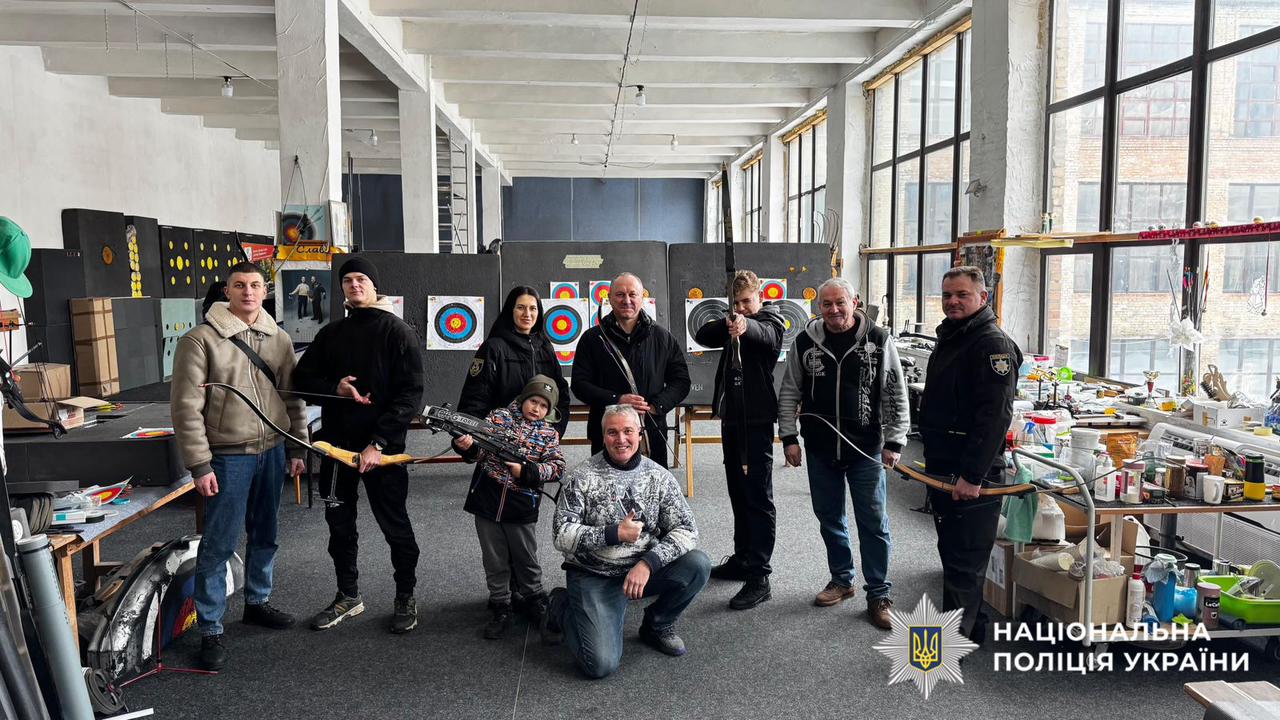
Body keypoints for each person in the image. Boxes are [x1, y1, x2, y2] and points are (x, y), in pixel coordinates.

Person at [171, 261, 309, 670]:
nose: (248, 292)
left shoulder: (279, 338)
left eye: (255, 285)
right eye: (238, 286)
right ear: (226, 291)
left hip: (271, 451)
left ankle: (257, 601)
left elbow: (292, 397)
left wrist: (298, 448)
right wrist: (199, 464)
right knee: (220, 541)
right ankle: (211, 626)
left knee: (266, 532)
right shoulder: (199, 341)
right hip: (228, 456)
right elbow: (185, 409)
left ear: (265, 291)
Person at [293, 256, 425, 634]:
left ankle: (405, 596)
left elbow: (410, 395)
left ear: (374, 285)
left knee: (395, 526)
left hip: (382, 453)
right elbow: (302, 378)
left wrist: (378, 443)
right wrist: (334, 386)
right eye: (348, 280)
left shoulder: (398, 333)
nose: (354, 285)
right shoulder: (331, 334)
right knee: (339, 525)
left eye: (361, 279)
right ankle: (347, 595)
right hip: (336, 449)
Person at [778, 277, 909, 630]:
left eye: (841, 302)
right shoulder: (805, 342)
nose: (834, 310)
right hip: (821, 450)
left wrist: (895, 441)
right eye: (826, 304)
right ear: (818, 307)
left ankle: (878, 593)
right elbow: (790, 389)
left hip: (865, 450)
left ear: (855, 302)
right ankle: (842, 579)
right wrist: (789, 436)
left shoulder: (879, 341)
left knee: (873, 522)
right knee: (830, 519)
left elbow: (896, 392)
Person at [542, 404, 710, 679]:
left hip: (641, 573)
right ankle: (561, 606)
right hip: (594, 574)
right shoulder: (581, 477)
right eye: (612, 432)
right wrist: (613, 533)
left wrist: (648, 563)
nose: (621, 440)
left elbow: (687, 530)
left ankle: (657, 625)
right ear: (603, 436)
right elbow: (561, 536)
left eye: (628, 431)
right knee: (600, 665)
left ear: (640, 434)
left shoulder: (658, 477)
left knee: (698, 564)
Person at [918, 266, 1022, 645]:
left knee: (964, 558)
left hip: (971, 469)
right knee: (953, 552)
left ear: (983, 298)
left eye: (962, 294)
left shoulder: (991, 344)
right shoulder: (955, 336)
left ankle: (951, 640)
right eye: (947, 295)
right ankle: (972, 628)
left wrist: (973, 476)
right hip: (944, 463)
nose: (952, 301)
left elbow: (995, 417)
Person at [692, 270, 785, 610]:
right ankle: (744, 558)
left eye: (747, 301)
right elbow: (702, 334)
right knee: (738, 490)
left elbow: (770, 335)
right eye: (737, 303)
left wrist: (747, 324)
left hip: (757, 420)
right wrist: (730, 320)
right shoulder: (733, 320)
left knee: (758, 495)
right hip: (732, 418)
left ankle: (760, 575)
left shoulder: (770, 320)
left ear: (760, 297)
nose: (742, 308)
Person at [453, 376, 566, 640]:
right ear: (523, 397)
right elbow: (479, 452)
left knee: (526, 556)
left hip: (521, 503)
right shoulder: (498, 418)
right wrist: (468, 449)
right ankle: (500, 603)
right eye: (533, 400)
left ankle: (534, 597)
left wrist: (528, 471)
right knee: (494, 558)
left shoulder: (549, 433)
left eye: (543, 405)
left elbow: (557, 466)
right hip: (487, 498)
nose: (536, 408)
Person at [570, 273, 690, 468]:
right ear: (609, 298)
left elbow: (681, 381)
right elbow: (579, 384)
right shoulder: (592, 339)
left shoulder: (662, 338)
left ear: (642, 297)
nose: (627, 300)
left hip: (651, 429)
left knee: (651, 491)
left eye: (633, 294)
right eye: (620, 295)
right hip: (606, 433)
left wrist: (656, 407)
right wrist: (617, 399)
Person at [458, 285, 570, 438]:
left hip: (538, 445)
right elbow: (475, 397)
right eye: (520, 308)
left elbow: (561, 395)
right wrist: (469, 438)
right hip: (499, 441)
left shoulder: (546, 347)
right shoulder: (493, 347)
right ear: (511, 310)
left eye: (533, 308)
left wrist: (555, 432)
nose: (527, 314)